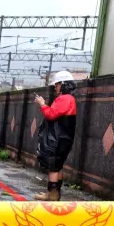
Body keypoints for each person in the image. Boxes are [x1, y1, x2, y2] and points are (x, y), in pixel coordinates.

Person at [34, 71, 77, 201]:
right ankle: (55, 193)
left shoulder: (65, 99)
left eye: (57, 84)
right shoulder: (69, 99)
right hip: (63, 138)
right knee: (57, 166)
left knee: (53, 166)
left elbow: (51, 114)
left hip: (59, 139)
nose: (55, 87)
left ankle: (52, 194)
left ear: (63, 84)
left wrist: (42, 104)